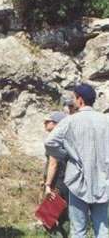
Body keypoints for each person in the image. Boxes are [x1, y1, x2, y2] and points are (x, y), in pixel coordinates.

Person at [45, 84, 109, 238]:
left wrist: (66, 155)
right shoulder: (106, 120)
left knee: (78, 230)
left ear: (80, 100)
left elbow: (49, 143)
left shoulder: (71, 121)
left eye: (74, 98)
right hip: (102, 180)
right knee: (102, 230)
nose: (73, 101)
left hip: (77, 180)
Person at [41, 111, 69, 238]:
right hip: (66, 183)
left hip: (56, 184)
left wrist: (47, 185)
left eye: (48, 120)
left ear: (57, 124)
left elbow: (53, 163)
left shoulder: (55, 140)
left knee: (46, 218)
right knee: (64, 217)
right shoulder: (66, 139)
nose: (45, 123)